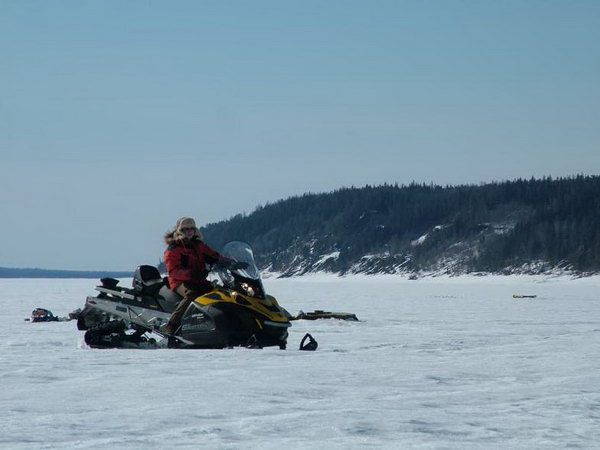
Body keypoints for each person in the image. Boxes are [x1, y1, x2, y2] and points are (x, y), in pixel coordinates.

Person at [161, 216, 231, 335]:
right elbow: (174, 271)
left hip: (198, 280)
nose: (189, 231)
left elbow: (213, 255)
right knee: (192, 294)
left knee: (220, 293)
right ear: (180, 231)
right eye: (185, 229)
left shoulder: (198, 244)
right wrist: (192, 273)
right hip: (179, 282)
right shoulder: (174, 248)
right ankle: (171, 325)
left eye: (191, 228)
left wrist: (231, 262)